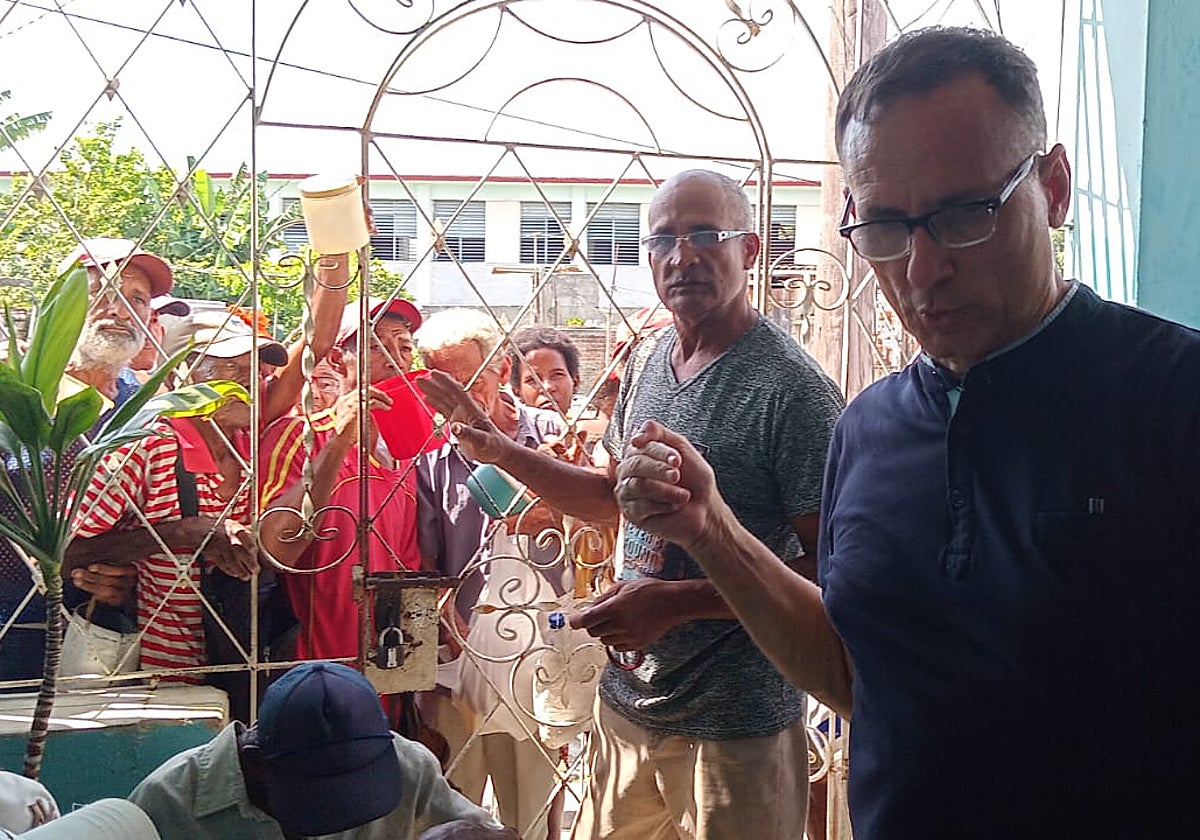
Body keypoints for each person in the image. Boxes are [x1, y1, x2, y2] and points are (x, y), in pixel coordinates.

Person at [612, 27, 1200, 838]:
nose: (921, 270)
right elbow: (859, 673)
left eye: (965, 213)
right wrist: (712, 528)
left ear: (1054, 187)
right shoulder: (869, 428)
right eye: (885, 226)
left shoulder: (1171, 399)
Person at [417, 170, 843, 840]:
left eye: (707, 234)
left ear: (751, 250)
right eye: (664, 239)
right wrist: (500, 449)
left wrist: (674, 603)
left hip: (737, 723)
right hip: (628, 706)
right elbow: (609, 500)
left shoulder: (793, 390)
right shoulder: (650, 360)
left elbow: (830, 574)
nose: (683, 256)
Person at [414, 308, 567, 840]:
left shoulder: (549, 434)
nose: (456, 396)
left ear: (501, 369)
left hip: (541, 639)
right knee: (457, 794)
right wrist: (445, 619)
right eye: (443, 382)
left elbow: (591, 522)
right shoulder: (432, 459)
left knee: (533, 791)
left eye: (467, 379)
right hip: (465, 645)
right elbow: (426, 558)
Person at [66, 311, 286, 680]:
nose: (249, 384)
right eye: (231, 369)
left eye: (257, 371)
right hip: (162, 677)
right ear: (178, 376)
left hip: (242, 665)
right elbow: (64, 549)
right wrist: (180, 534)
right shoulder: (147, 447)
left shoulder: (251, 448)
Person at [1, 238, 173, 683]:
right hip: (9, 624)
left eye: (136, 298)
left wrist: (123, 578)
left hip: (97, 636)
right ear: (62, 310)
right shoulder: (19, 392)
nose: (119, 310)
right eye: (102, 294)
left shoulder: (147, 405)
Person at [129, 661, 499, 839]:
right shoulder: (169, 803)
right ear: (257, 764)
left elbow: (478, 833)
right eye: (324, 800)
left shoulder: (409, 768)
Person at [258, 297, 424, 661]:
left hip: (385, 663)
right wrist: (339, 442)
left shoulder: (408, 454)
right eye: (377, 345)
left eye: (405, 346)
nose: (394, 358)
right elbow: (274, 548)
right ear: (336, 359)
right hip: (311, 665)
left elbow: (408, 568)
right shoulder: (300, 435)